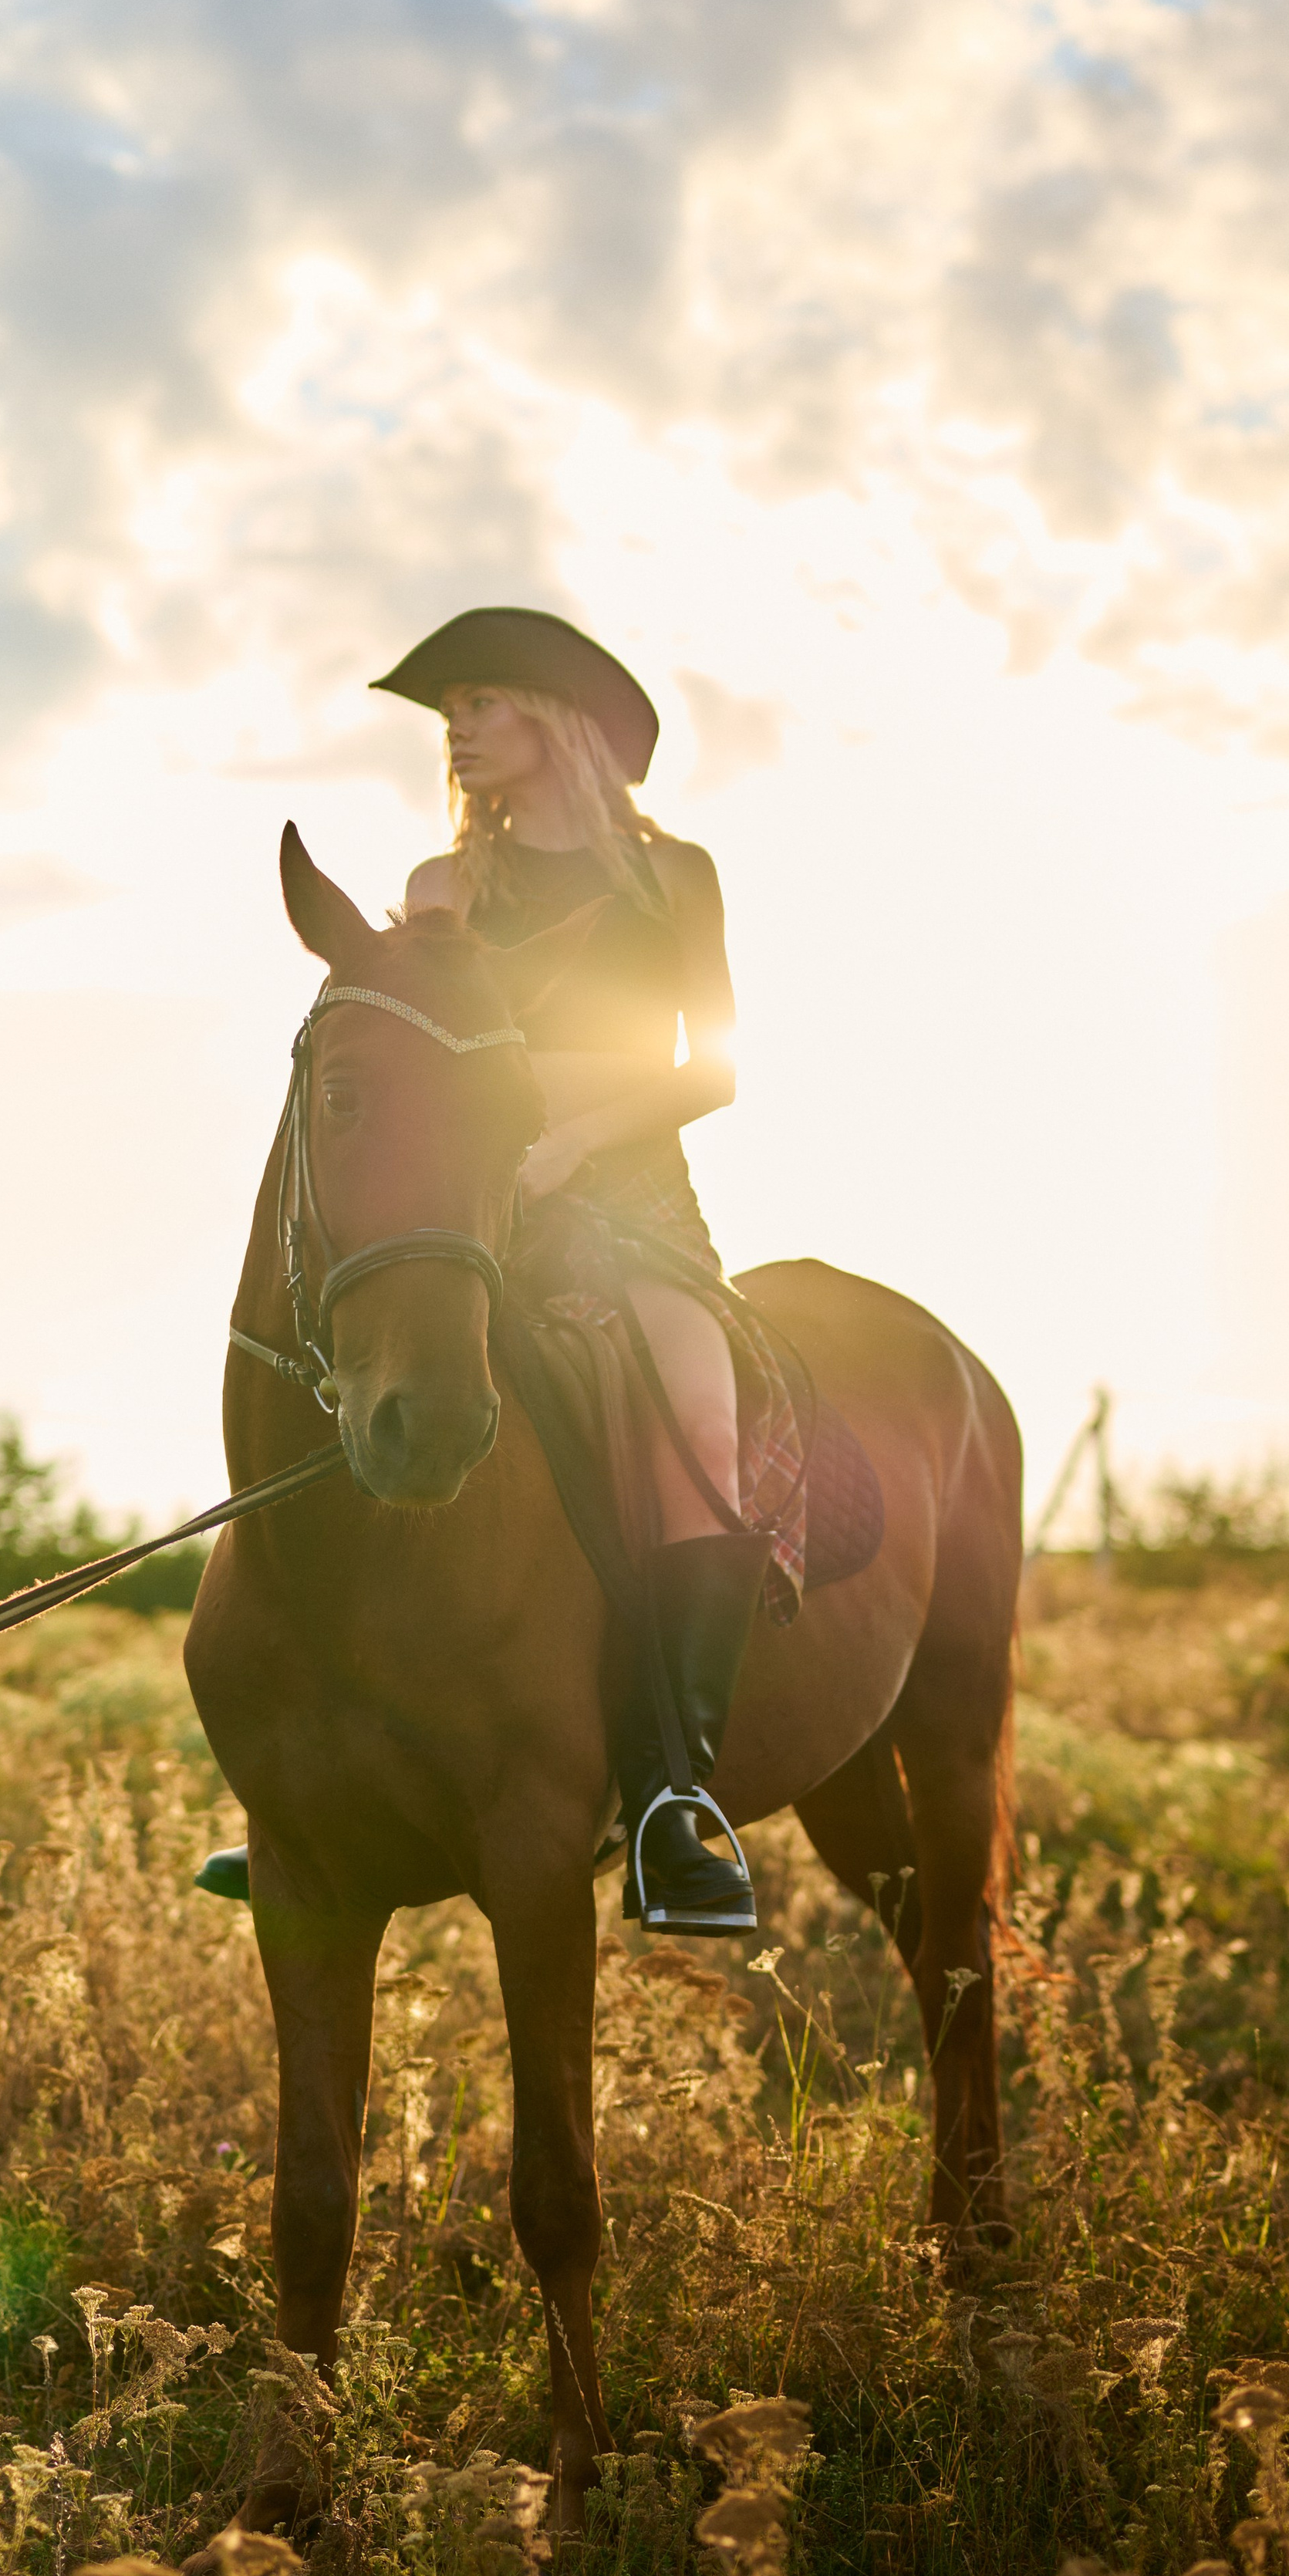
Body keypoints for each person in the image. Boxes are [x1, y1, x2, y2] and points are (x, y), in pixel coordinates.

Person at [376, 606, 772, 1935]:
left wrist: (578, 1144)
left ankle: (673, 1799)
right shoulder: (447, 892)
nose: (459, 729)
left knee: (699, 1419)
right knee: (373, 1397)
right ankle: (319, 1777)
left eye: (480, 701)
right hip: (483, 1208)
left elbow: (711, 1067)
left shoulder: (679, 880)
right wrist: (514, 1161)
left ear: (554, 717)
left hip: (638, 1203)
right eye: (452, 715)